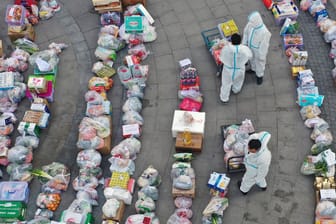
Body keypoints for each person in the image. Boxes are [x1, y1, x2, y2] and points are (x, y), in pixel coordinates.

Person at [219, 33, 252, 103]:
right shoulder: (244, 49)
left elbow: (221, 57)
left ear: (231, 40)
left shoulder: (226, 48)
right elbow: (250, 56)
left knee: (225, 83)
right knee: (238, 81)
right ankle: (236, 90)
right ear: (240, 41)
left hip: (228, 69)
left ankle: (224, 98)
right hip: (239, 69)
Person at [242, 11, 271, 85]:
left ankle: (259, 76)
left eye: (252, 22)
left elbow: (264, 46)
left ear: (256, 21)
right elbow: (245, 33)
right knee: (252, 59)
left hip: (258, 50)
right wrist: (244, 43)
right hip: (250, 47)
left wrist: (261, 56)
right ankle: (253, 69)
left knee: (260, 64)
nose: (250, 23)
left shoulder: (265, 32)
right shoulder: (251, 25)